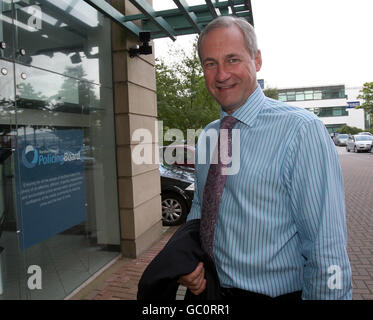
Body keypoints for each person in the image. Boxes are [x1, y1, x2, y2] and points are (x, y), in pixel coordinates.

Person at [178, 16, 352, 300]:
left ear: (256, 60)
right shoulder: (209, 135)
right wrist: (186, 259)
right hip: (207, 294)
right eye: (210, 63)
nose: (221, 74)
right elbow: (200, 209)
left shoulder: (301, 131)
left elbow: (326, 245)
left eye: (232, 59)